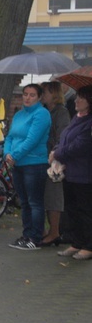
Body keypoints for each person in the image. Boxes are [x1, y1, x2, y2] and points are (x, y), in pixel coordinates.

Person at [5, 84, 51, 251]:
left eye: (32, 95)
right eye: (25, 94)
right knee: (24, 202)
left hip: (34, 164)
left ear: (39, 97)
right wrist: (7, 154)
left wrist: (15, 156)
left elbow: (32, 140)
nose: (28, 98)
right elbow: (10, 137)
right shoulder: (18, 115)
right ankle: (26, 235)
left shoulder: (42, 114)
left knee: (34, 202)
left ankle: (36, 237)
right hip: (18, 164)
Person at [52, 85, 92, 260]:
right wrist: (55, 150)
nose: (76, 101)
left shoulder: (89, 124)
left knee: (85, 210)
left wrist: (57, 153)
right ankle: (77, 242)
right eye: (76, 97)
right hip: (69, 173)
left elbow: (80, 146)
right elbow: (64, 138)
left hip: (84, 174)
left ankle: (89, 245)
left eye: (81, 98)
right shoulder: (76, 118)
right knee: (72, 209)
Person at [39, 81, 71, 246]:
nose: (43, 95)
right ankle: (47, 231)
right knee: (46, 196)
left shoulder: (61, 113)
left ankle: (54, 231)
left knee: (54, 196)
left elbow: (63, 136)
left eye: (45, 92)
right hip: (43, 157)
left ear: (54, 94)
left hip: (54, 160)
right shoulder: (44, 111)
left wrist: (55, 150)